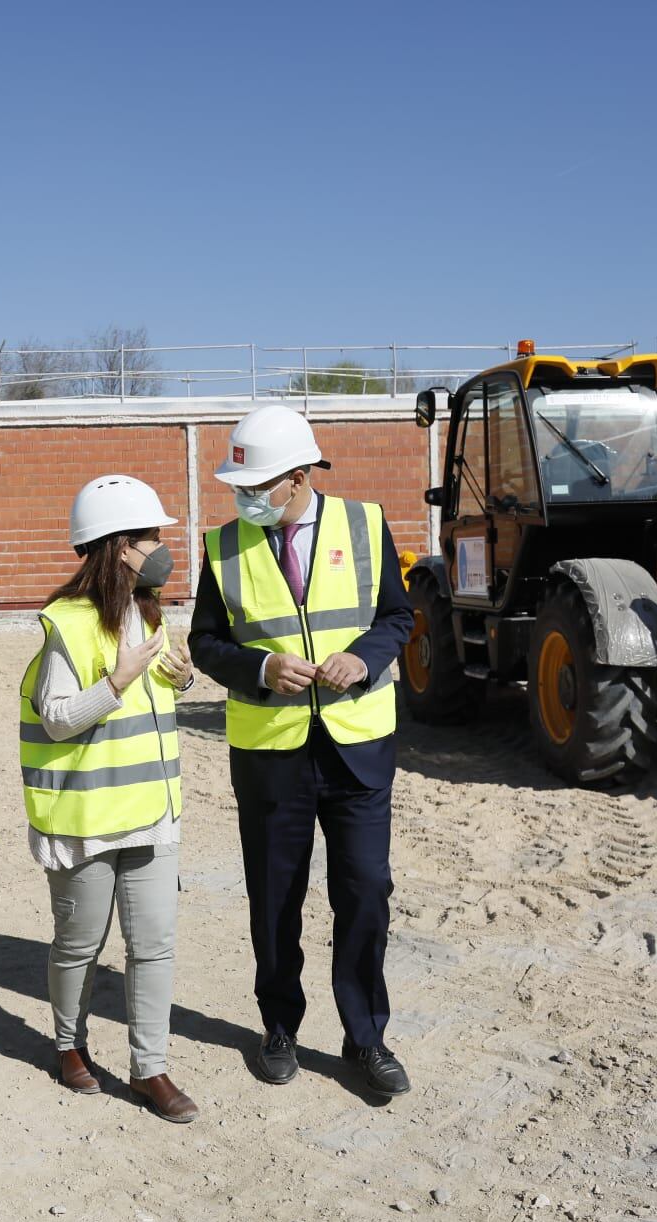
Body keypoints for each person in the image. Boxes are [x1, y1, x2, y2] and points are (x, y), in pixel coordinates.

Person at [188, 405, 414, 1098]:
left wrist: (365, 659)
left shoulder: (366, 524)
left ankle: (365, 1037)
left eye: (256, 483)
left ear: (296, 475)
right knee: (275, 897)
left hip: (357, 749)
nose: (243, 496)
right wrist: (258, 669)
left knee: (366, 891)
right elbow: (205, 642)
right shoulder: (223, 546)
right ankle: (279, 1024)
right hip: (271, 754)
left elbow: (398, 617)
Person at [20, 475, 200, 1124]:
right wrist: (119, 680)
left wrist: (178, 679)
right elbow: (58, 717)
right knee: (79, 946)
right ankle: (69, 1046)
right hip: (87, 824)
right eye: (151, 536)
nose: (161, 547)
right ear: (121, 547)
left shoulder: (147, 611)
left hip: (151, 815)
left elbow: (151, 708)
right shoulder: (65, 626)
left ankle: (150, 1068)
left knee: (153, 945)